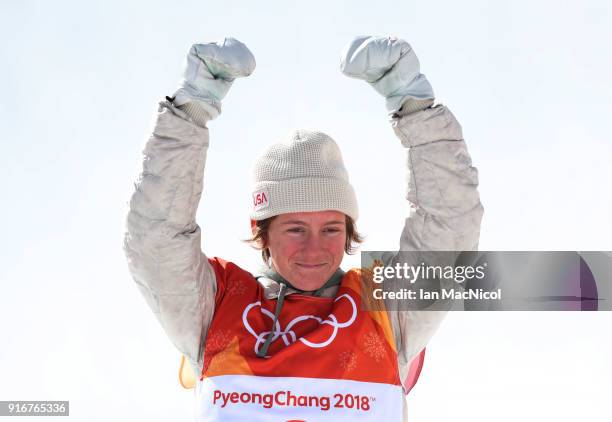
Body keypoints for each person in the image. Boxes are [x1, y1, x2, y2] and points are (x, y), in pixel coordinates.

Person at [123, 35, 483, 421]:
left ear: (349, 229)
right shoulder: (216, 307)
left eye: (330, 229)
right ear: (261, 229)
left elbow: (450, 227)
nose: (315, 250)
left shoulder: (384, 309)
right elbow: (156, 240)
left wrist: (415, 109)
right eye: (295, 229)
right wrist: (189, 112)